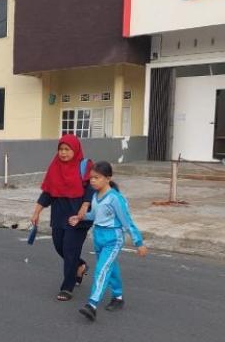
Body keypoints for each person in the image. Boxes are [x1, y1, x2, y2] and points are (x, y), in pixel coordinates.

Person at [70, 161, 148, 322]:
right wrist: (80, 217)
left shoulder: (115, 198)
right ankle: (118, 297)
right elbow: (95, 215)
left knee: (101, 270)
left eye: (96, 178)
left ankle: (92, 304)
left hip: (113, 239)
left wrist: (138, 242)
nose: (92, 181)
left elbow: (127, 222)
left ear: (107, 178)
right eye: (91, 178)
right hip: (98, 236)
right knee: (110, 268)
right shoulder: (95, 196)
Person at [30, 134, 93, 301]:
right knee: (60, 247)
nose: (63, 153)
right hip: (59, 214)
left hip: (78, 216)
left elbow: (91, 189)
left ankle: (67, 287)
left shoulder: (85, 165)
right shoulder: (55, 167)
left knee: (70, 250)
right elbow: (48, 192)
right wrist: (37, 211)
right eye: (61, 149)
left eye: (67, 149)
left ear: (75, 149)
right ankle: (80, 265)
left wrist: (85, 206)